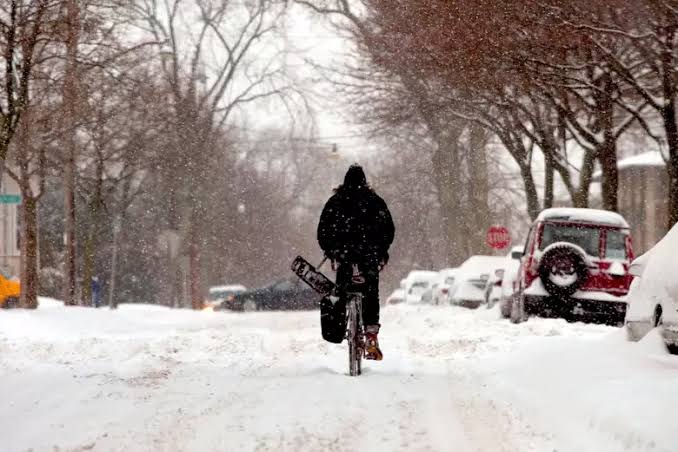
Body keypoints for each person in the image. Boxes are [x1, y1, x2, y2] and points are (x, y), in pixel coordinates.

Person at [317, 164, 395, 360]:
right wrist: (379, 251)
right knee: (371, 294)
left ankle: (342, 321)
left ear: (345, 181)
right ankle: (371, 336)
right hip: (369, 257)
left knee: (341, 293)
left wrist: (332, 251)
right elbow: (388, 229)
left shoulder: (335, 202)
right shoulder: (375, 202)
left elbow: (323, 231)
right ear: (364, 181)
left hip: (344, 257)